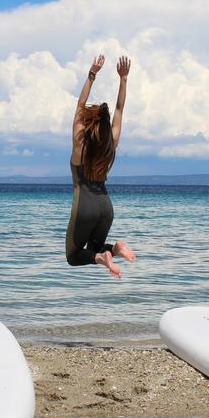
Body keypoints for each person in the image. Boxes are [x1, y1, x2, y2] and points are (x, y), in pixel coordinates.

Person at [65, 54, 136, 278]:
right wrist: (123, 79)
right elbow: (119, 109)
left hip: (85, 207)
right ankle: (115, 250)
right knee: (95, 250)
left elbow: (79, 105)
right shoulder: (110, 145)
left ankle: (107, 257)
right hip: (106, 208)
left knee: (74, 256)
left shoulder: (80, 143)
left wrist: (92, 74)